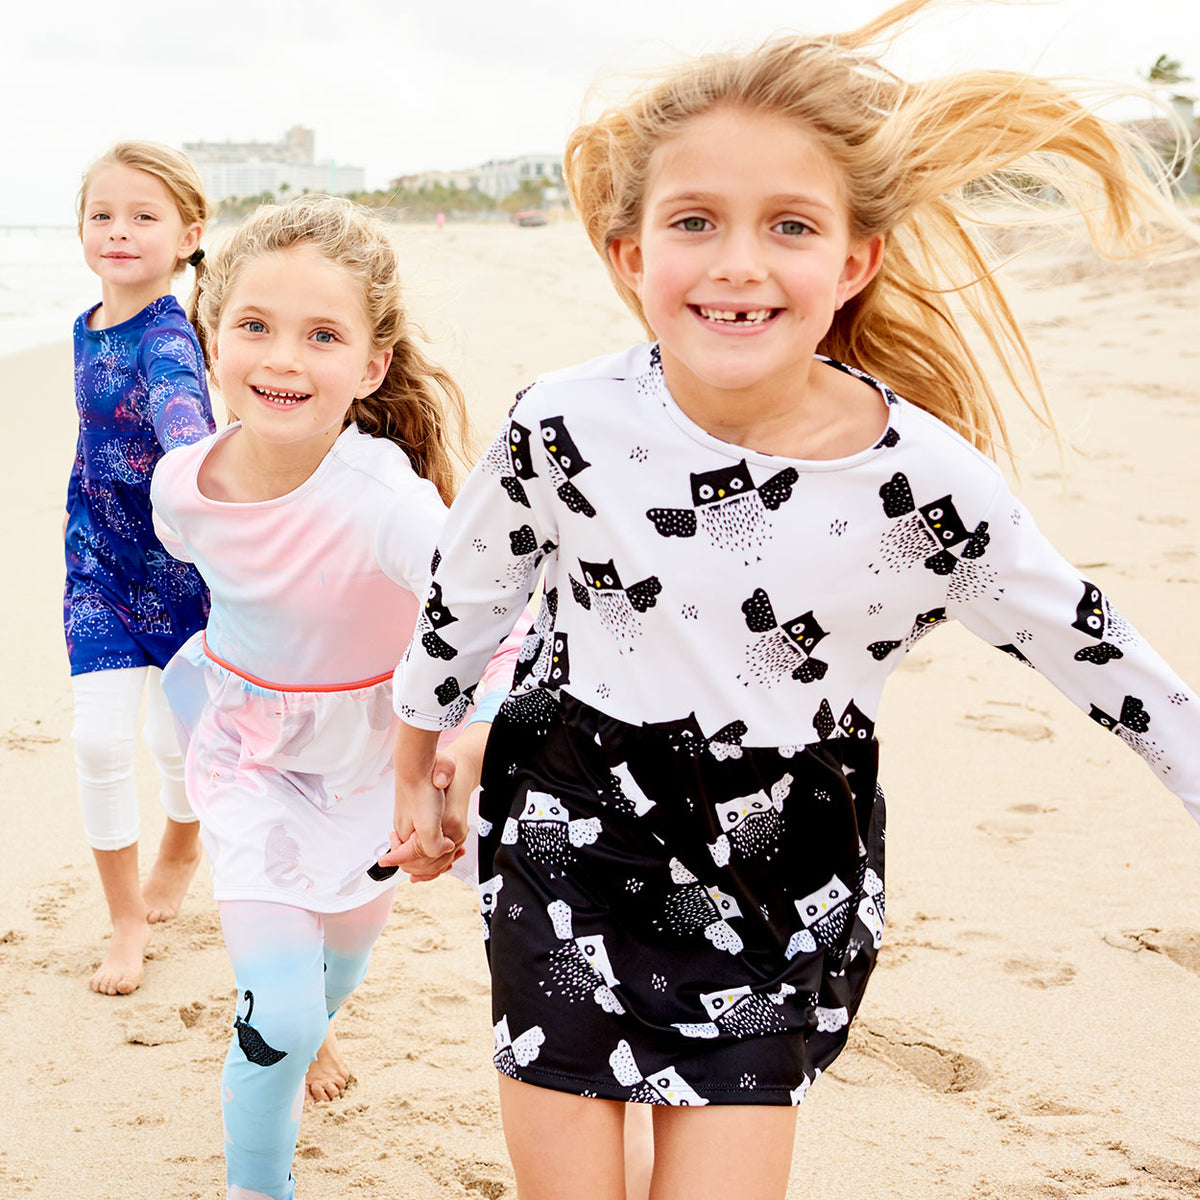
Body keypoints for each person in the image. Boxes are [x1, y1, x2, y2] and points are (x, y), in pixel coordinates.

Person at [385, 2, 1200, 1197]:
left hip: (780, 862)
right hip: (569, 822)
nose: (738, 263)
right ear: (632, 254)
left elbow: (1091, 646)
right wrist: (417, 751)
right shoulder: (561, 424)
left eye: (790, 225)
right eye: (696, 222)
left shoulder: (923, 482)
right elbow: (471, 591)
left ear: (853, 259)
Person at [151, 195, 520, 1200]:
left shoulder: (387, 501)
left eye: (322, 336)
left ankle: (320, 1023)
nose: (282, 358)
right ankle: (255, 1185)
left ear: (369, 366)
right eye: (255, 327)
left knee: (337, 975)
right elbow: (220, 581)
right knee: (279, 1011)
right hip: (249, 752)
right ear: (210, 339)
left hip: (373, 762)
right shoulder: (182, 487)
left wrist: (471, 735)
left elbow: (495, 620)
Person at [66, 140, 213, 996]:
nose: (119, 232)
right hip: (94, 564)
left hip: (180, 570)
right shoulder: (85, 326)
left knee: (179, 741)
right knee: (96, 739)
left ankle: (182, 845)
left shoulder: (168, 337)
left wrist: (193, 454)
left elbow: (179, 408)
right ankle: (125, 921)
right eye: (103, 215)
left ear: (188, 235)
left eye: (143, 217)